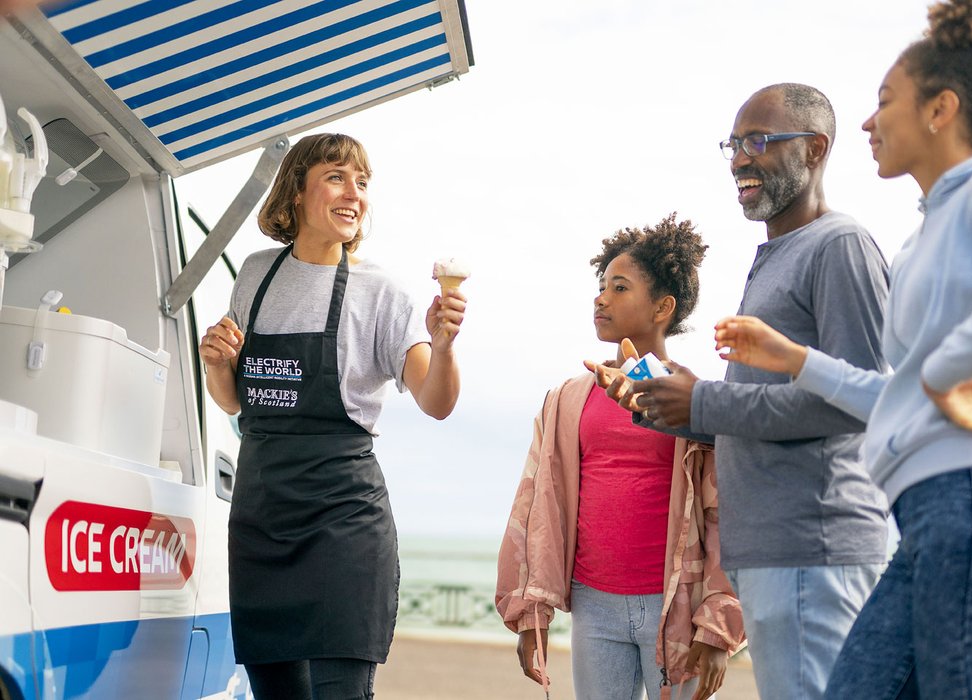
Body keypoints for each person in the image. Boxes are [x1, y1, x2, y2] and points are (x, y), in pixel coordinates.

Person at [713, 1, 972, 697]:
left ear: (940, 110)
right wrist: (795, 359)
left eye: (885, 102)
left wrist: (940, 375)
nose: (866, 122)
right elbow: (896, 390)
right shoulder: (923, 233)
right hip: (926, 519)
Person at [602, 85, 890, 700]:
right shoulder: (774, 257)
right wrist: (660, 402)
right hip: (772, 554)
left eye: (758, 141)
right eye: (734, 144)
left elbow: (860, 400)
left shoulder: (839, 245)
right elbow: (751, 412)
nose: (739, 159)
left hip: (815, 552)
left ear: (815, 149)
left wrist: (702, 400)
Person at [199, 133, 466, 700]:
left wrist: (442, 345)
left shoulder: (380, 292)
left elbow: (436, 401)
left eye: (363, 183)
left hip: (343, 527)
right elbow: (235, 402)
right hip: (262, 520)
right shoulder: (254, 274)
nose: (354, 194)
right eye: (337, 177)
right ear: (298, 189)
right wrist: (217, 361)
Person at [496, 215, 745, 700]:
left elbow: (728, 516)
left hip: (676, 607)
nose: (601, 297)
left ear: (662, 307)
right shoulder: (566, 399)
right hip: (594, 605)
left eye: (620, 287)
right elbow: (534, 505)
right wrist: (530, 610)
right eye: (602, 285)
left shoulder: (698, 402)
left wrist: (719, 626)